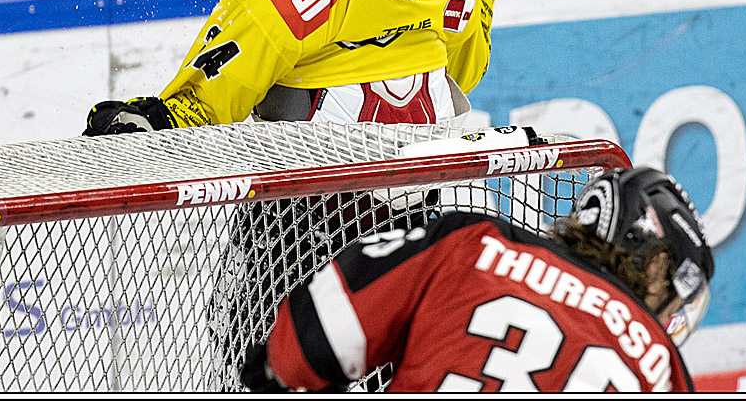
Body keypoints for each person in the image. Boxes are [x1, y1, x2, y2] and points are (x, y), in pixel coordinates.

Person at [80, 0, 508, 390]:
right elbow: (232, 65)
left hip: (414, 213)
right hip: (304, 223)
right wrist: (166, 117)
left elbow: (466, 68)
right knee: (272, 366)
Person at [240, 166, 716, 393]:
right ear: (655, 266)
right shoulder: (663, 370)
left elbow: (305, 348)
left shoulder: (472, 244)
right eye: (677, 293)